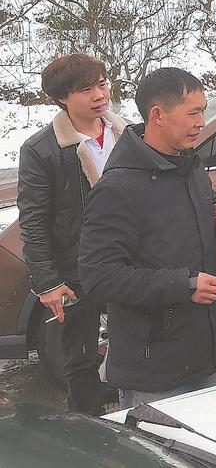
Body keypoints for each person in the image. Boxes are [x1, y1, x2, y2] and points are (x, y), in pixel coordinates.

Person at [78, 68, 216, 408]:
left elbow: (210, 216)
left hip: (205, 356)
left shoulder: (189, 167)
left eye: (203, 111)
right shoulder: (118, 188)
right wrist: (185, 285)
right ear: (158, 115)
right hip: (153, 371)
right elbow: (98, 277)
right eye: (193, 112)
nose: (202, 121)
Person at [17, 54, 127, 414]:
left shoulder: (125, 133)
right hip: (77, 267)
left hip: (131, 258)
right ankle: (90, 438)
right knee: (80, 359)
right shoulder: (42, 149)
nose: (99, 94)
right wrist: (47, 281)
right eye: (86, 88)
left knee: (140, 345)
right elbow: (33, 220)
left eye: (103, 83)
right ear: (63, 97)